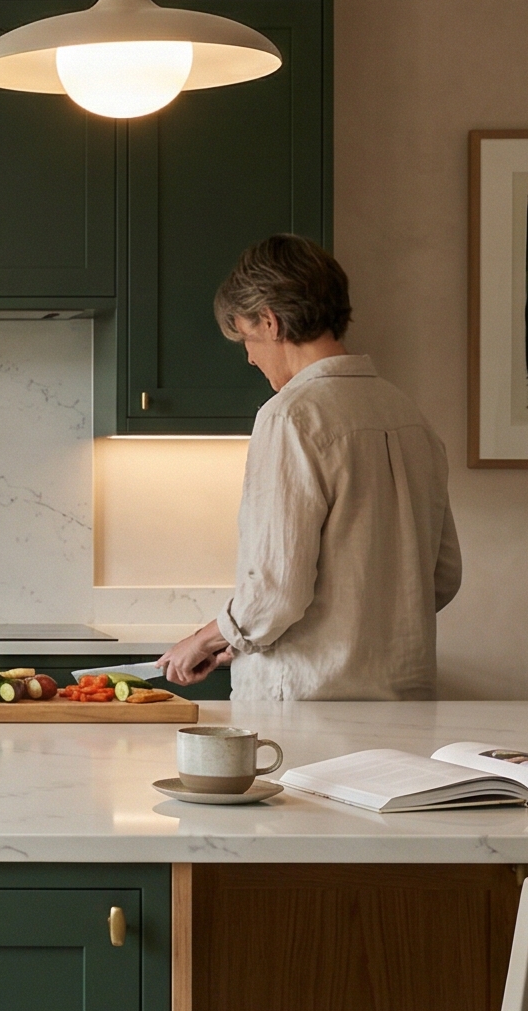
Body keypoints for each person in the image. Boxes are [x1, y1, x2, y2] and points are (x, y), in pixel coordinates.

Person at [159, 235, 462, 701]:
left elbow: (276, 593)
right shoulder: (408, 415)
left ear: (270, 321)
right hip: (406, 702)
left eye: (247, 337)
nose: (249, 356)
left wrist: (202, 639)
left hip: (305, 705)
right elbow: (441, 577)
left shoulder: (290, 416)